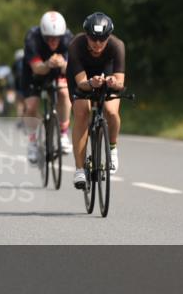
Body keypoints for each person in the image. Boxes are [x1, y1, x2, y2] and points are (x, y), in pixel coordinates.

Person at [67, 12, 126, 189]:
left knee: (111, 111)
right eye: (93, 39)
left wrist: (113, 82)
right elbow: (81, 84)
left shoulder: (117, 46)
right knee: (82, 113)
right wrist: (91, 83)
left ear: (109, 37)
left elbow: (120, 82)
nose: (98, 43)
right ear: (86, 35)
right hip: (82, 78)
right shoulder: (76, 45)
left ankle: (113, 148)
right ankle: (79, 169)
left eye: (102, 39)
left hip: (107, 74)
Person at [21, 11, 74, 162]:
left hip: (58, 70)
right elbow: (37, 68)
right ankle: (32, 142)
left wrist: (63, 64)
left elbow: (72, 68)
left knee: (64, 93)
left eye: (57, 38)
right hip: (34, 72)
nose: (53, 42)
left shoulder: (69, 39)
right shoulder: (32, 38)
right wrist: (48, 64)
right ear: (43, 35)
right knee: (31, 106)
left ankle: (63, 134)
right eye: (49, 39)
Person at [12, 48, 26, 119]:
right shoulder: (27, 62)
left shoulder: (15, 64)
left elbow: (13, 74)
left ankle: (20, 119)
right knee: (26, 102)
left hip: (18, 85)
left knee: (19, 103)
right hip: (27, 84)